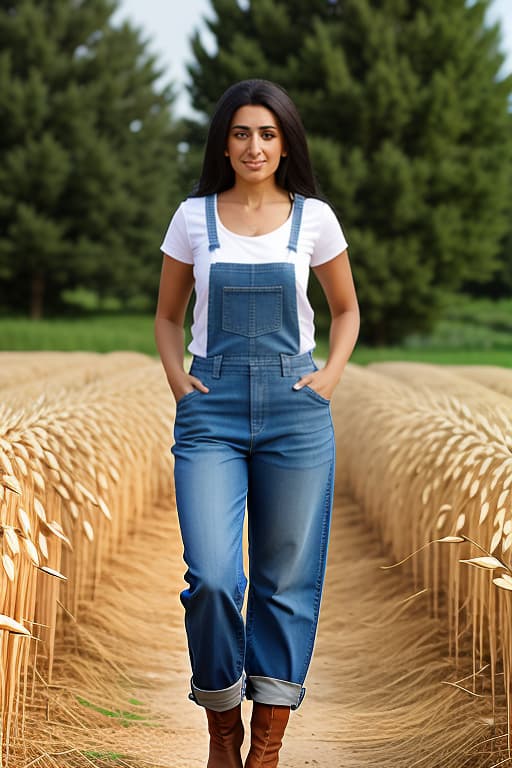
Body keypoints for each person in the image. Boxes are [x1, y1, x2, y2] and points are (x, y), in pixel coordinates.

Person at [154, 78, 360, 768]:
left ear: (285, 143)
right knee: (213, 575)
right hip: (210, 412)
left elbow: (346, 309)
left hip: (294, 413)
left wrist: (328, 377)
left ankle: (267, 744)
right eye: (241, 132)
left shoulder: (315, 220)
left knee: (286, 578)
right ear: (223, 142)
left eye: (267, 133)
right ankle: (222, 728)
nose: (254, 145)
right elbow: (166, 315)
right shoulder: (192, 218)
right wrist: (180, 383)